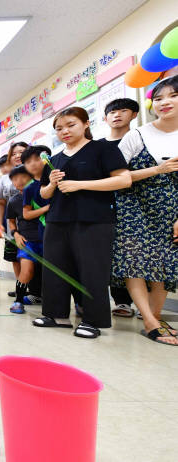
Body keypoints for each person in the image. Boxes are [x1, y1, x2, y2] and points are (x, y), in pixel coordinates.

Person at [33, 107, 131, 339]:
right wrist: (52, 184)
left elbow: (124, 179)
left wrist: (80, 184)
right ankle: (56, 314)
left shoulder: (103, 149)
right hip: (57, 220)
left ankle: (93, 320)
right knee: (54, 268)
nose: (64, 131)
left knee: (92, 270)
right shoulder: (54, 159)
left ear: (86, 124)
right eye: (59, 128)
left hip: (94, 219)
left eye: (71, 125)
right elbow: (44, 195)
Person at [113, 77, 178, 345]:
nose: (164, 102)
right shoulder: (137, 135)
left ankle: (155, 316)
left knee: (164, 263)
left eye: (172, 96)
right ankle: (150, 322)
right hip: (133, 206)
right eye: (159, 98)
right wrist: (156, 170)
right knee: (135, 262)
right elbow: (117, 175)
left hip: (170, 210)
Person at [100, 98, 140, 318]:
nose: (117, 115)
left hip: (139, 203)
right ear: (104, 118)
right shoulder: (100, 147)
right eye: (112, 112)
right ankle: (121, 300)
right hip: (108, 205)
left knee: (140, 253)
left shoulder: (142, 141)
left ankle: (149, 303)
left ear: (133, 114)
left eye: (123, 111)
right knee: (115, 254)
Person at [6, 165, 44, 314]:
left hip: (47, 239)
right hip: (27, 241)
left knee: (49, 273)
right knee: (26, 271)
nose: (19, 181)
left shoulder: (42, 193)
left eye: (22, 177)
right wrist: (15, 233)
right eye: (15, 179)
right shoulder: (14, 200)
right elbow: (11, 221)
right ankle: (18, 301)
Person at [21, 145, 52, 306]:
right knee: (44, 267)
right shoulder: (29, 188)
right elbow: (26, 214)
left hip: (65, 228)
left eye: (37, 158)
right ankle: (42, 297)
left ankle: (78, 303)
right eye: (28, 161)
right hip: (44, 231)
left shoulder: (58, 177)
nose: (33, 164)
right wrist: (47, 208)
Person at [0, 142, 29, 290]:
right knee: (15, 256)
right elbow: (0, 202)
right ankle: (20, 288)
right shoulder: (4, 178)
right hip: (12, 224)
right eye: (14, 153)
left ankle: (34, 290)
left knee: (31, 256)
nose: (17, 156)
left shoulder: (36, 171)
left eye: (21, 152)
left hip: (34, 223)